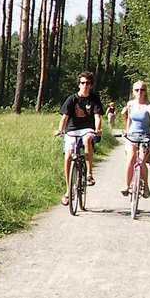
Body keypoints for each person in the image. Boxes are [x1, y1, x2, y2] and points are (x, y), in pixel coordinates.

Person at [55, 71, 103, 205]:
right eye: (83, 83)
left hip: (87, 128)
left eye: (88, 83)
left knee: (88, 139)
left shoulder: (94, 99)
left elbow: (97, 116)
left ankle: (89, 174)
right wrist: (60, 130)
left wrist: (97, 129)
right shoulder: (72, 99)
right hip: (72, 129)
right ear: (79, 84)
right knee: (68, 155)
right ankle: (68, 191)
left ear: (91, 85)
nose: (85, 85)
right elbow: (64, 117)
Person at [121, 80, 150, 198]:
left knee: (142, 161)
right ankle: (126, 185)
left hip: (146, 137)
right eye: (137, 90)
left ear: (145, 91)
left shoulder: (149, 106)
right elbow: (129, 119)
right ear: (133, 92)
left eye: (142, 90)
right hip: (132, 136)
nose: (140, 92)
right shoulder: (130, 104)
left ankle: (146, 185)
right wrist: (126, 131)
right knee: (131, 158)